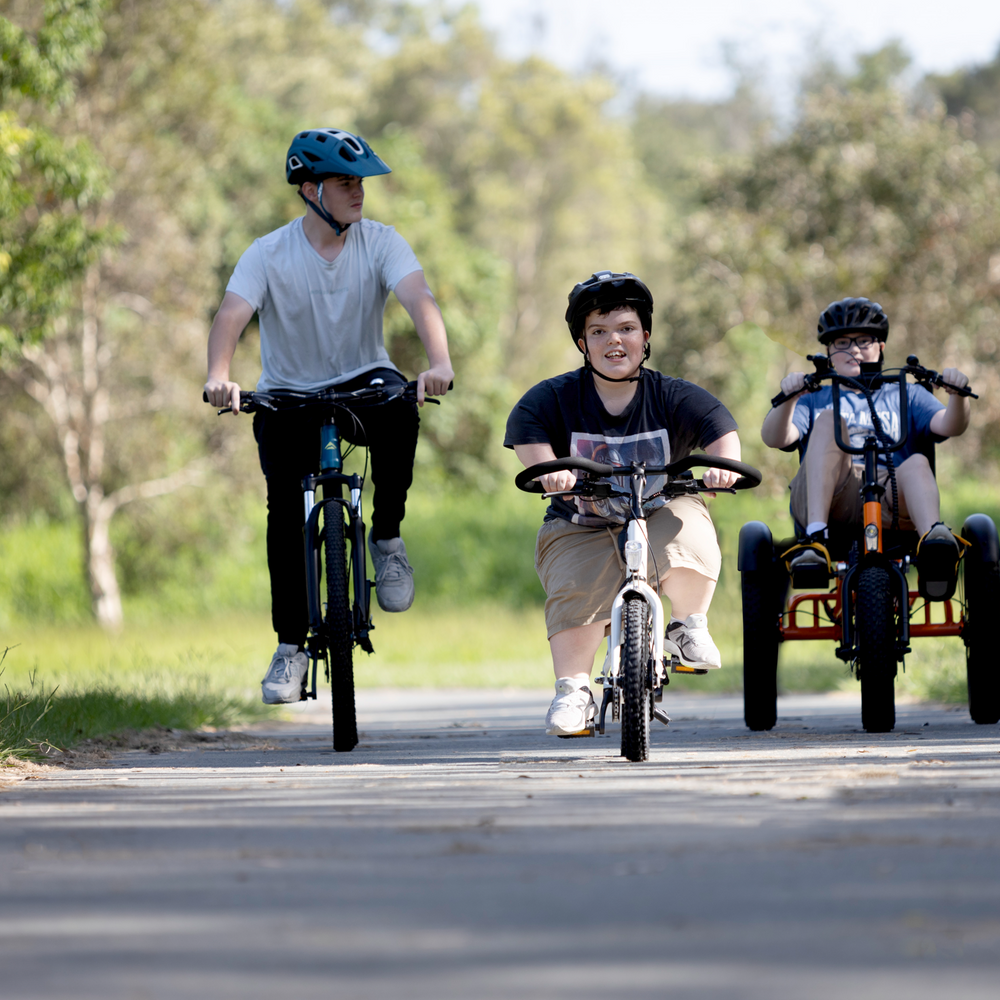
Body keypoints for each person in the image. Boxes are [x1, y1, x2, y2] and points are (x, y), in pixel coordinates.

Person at [203, 128, 453, 704]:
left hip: (366, 379)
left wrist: (438, 361)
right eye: (346, 182)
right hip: (287, 392)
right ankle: (290, 647)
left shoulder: (381, 241)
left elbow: (419, 298)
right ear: (311, 189)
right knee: (284, 514)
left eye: (360, 181)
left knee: (403, 410)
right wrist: (220, 376)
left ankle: (386, 538)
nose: (359, 191)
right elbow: (230, 316)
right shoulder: (267, 252)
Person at [505, 271, 743, 737]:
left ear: (645, 337)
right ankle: (573, 690)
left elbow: (720, 428)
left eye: (626, 328)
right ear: (582, 343)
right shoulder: (551, 398)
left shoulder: (672, 395)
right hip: (581, 522)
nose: (614, 340)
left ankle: (687, 624)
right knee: (576, 586)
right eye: (598, 331)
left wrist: (724, 466)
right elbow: (529, 439)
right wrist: (549, 471)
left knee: (691, 526)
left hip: (658, 511)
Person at [760, 296, 972, 597]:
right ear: (828, 352)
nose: (854, 349)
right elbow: (775, 438)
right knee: (828, 422)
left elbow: (950, 425)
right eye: (842, 343)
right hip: (834, 497)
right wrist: (790, 398)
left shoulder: (906, 393)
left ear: (881, 347)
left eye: (863, 340)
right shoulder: (815, 397)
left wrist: (958, 396)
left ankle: (933, 545)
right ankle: (815, 541)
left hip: (893, 497)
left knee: (916, 463)